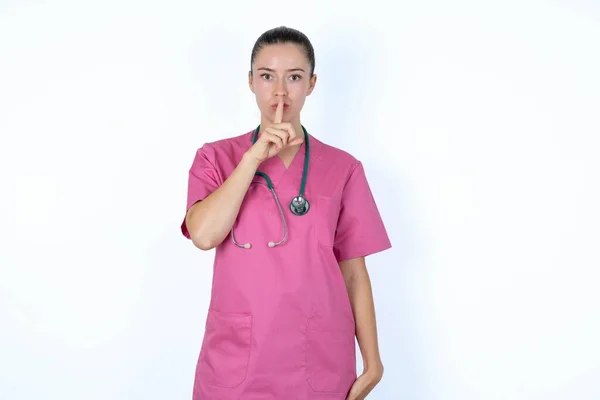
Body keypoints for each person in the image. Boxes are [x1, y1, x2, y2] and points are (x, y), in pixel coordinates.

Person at [181, 26, 392, 400]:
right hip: (237, 360)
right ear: (250, 82)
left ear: (311, 84)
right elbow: (204, 235)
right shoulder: (216, 158)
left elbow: (354, 274)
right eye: (267, 77)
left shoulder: (343, 168)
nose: (280, 92)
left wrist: (372, 361)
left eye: (293, 77)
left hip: (317, 358)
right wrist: (252, 159)